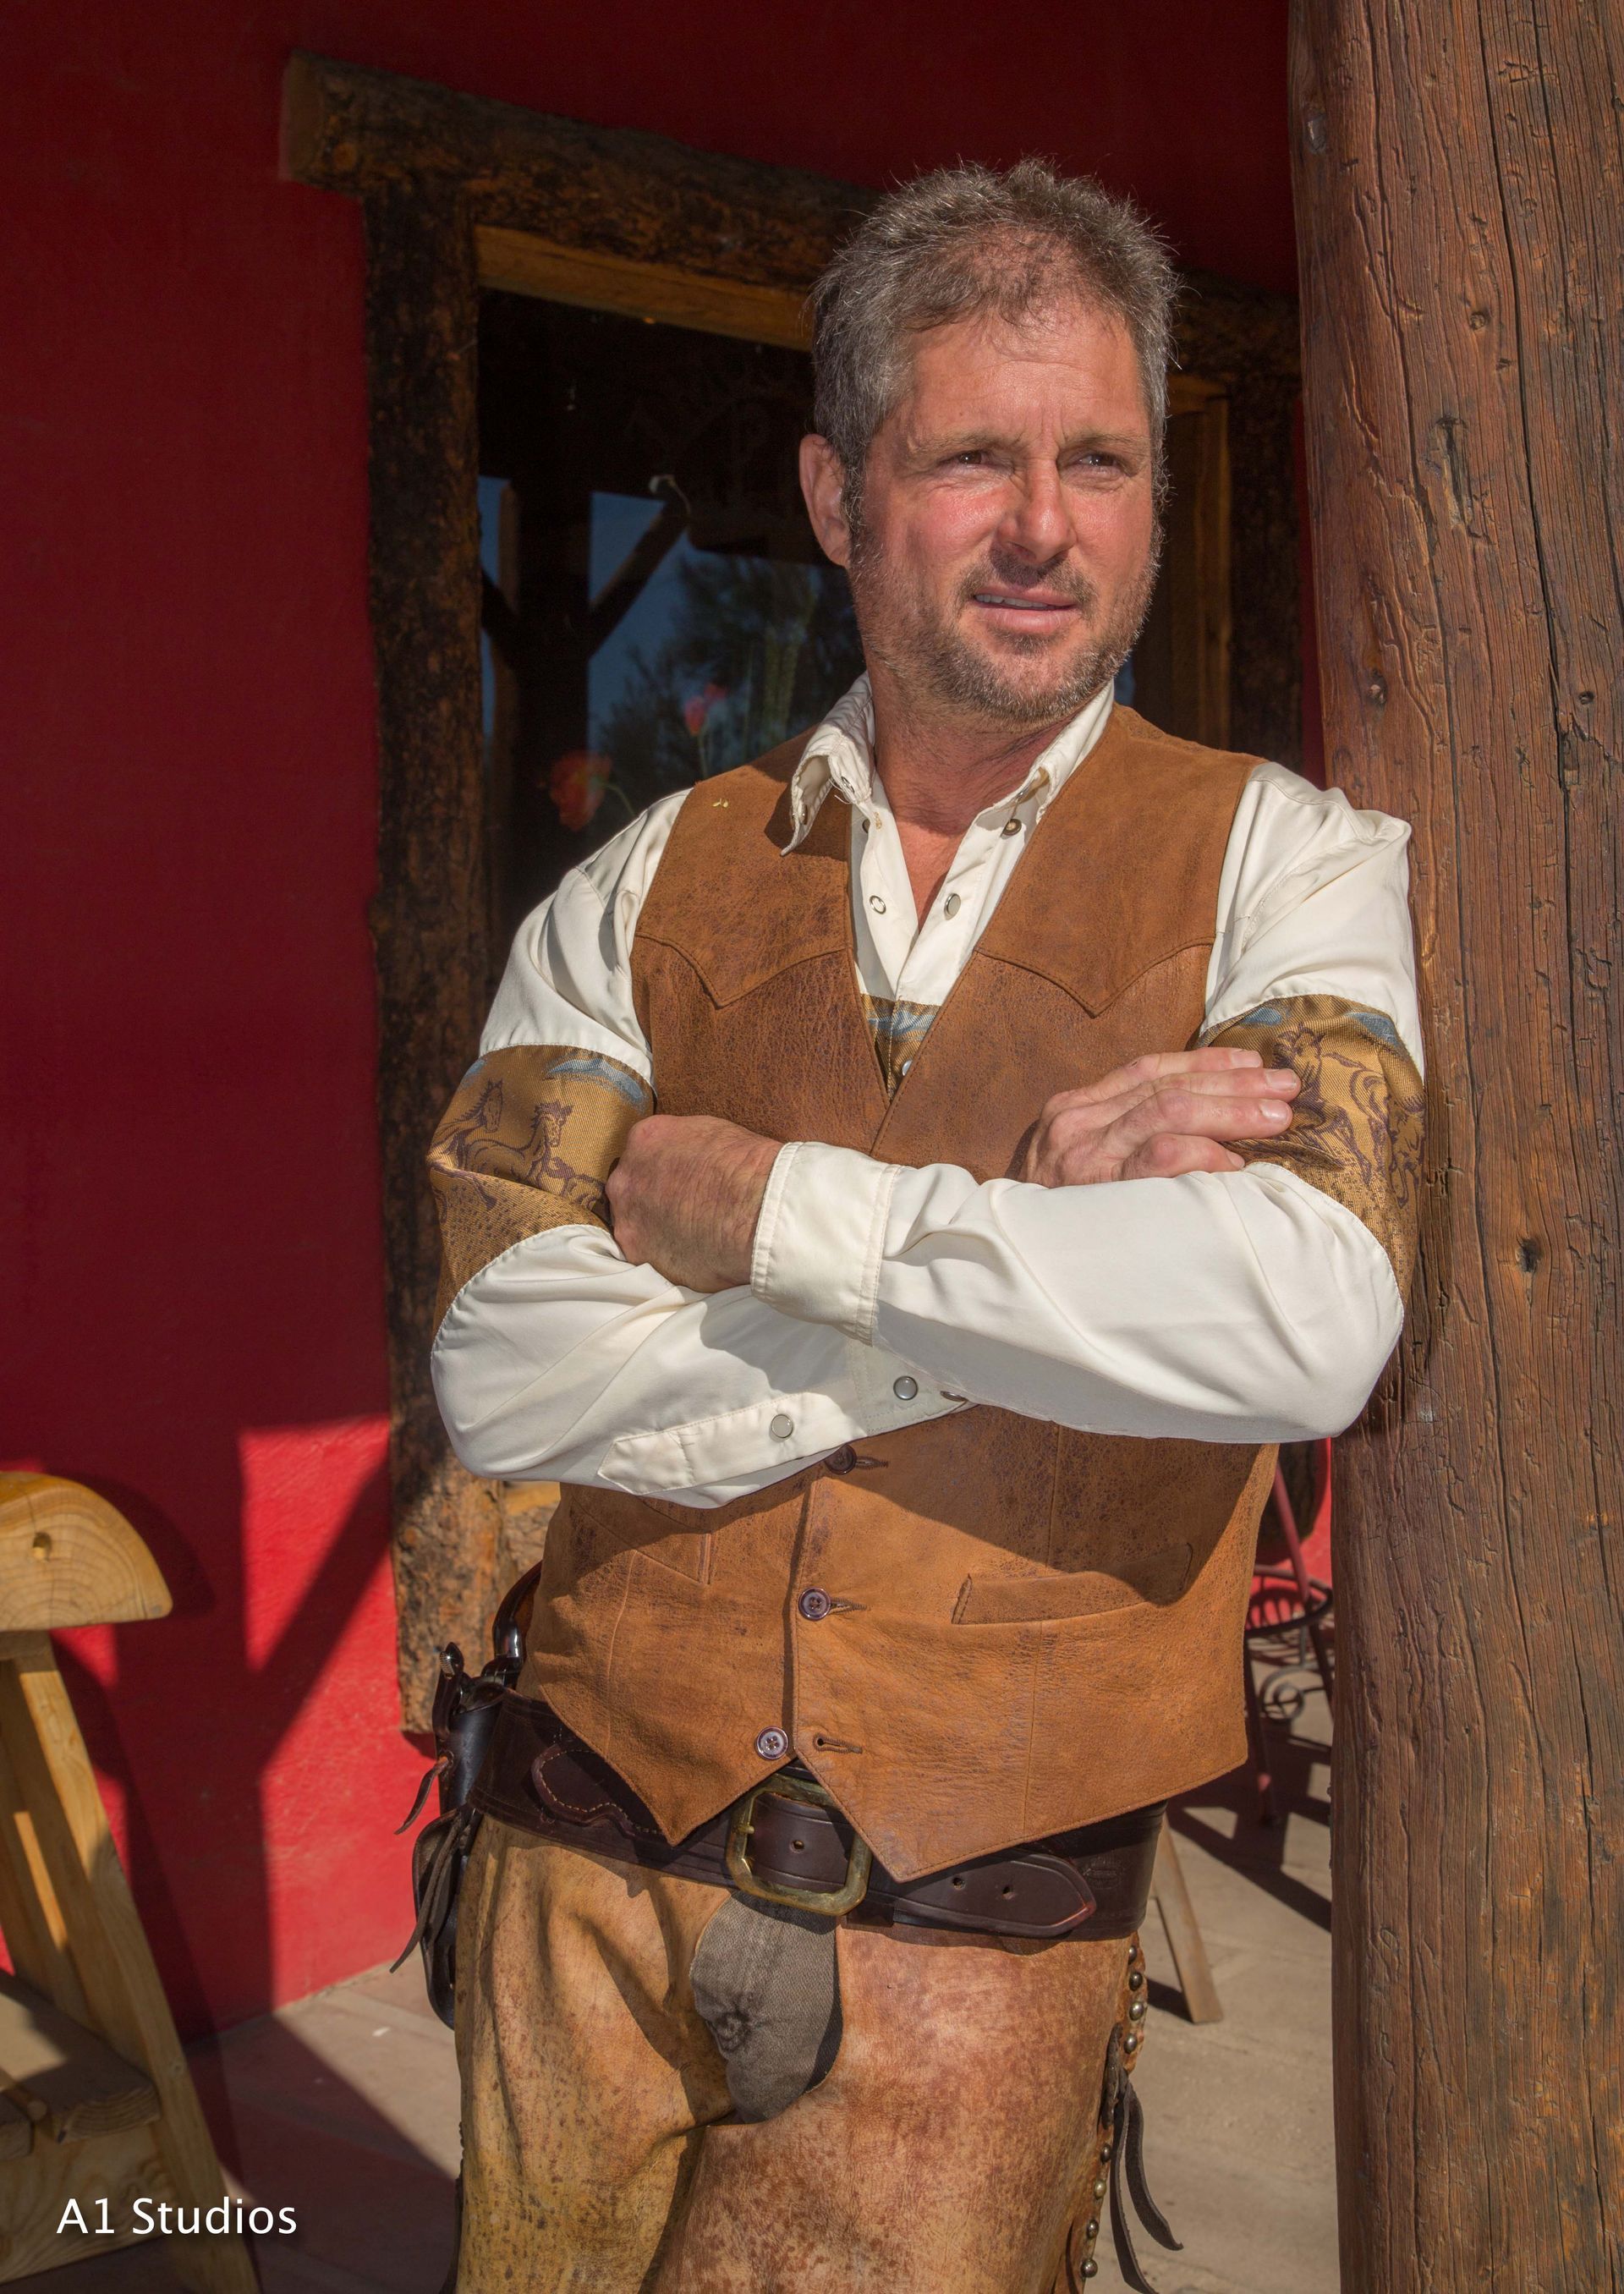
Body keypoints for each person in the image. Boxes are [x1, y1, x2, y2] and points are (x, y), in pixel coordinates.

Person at [425, 158, 1422, 2294]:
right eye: (972, 455)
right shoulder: (641, 881)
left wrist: (768, 1207)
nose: (1046, 526)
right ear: (839, 490)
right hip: (573, 1887)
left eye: (1102, 460)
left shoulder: (1301, 868)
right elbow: (504, 1359)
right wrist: (1024, 1258)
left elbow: (1308, 1317)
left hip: (982, 1953)